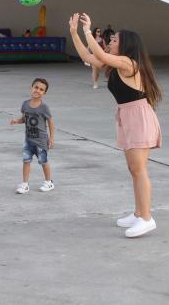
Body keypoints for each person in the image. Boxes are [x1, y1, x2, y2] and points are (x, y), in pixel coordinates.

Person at [69, 12, 162, 238]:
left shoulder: (128, 63)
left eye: (114, 40)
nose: (109, 42)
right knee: (134, 169)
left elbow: (98, 51)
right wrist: (74, 32)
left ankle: (147, 218)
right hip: (128, 117)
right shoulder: (114, 64)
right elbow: (87, 54)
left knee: (139, 170)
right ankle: (139, 213)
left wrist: (88, 30)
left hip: (138, 117)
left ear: (126, 45)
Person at [10, 78, 55, 194]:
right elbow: (25, 119)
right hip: (28, 140)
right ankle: (25, 184)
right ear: (31, 88)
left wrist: (51, 138)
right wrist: (16, 121)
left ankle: (48, 182)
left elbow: (50, 122)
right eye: (36, 87)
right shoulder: (25, 104)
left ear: (44, 93)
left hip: (41, 141)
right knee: (26, 161)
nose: (38, 90)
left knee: (43, 162)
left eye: (41, 89)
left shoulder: (44, 107)